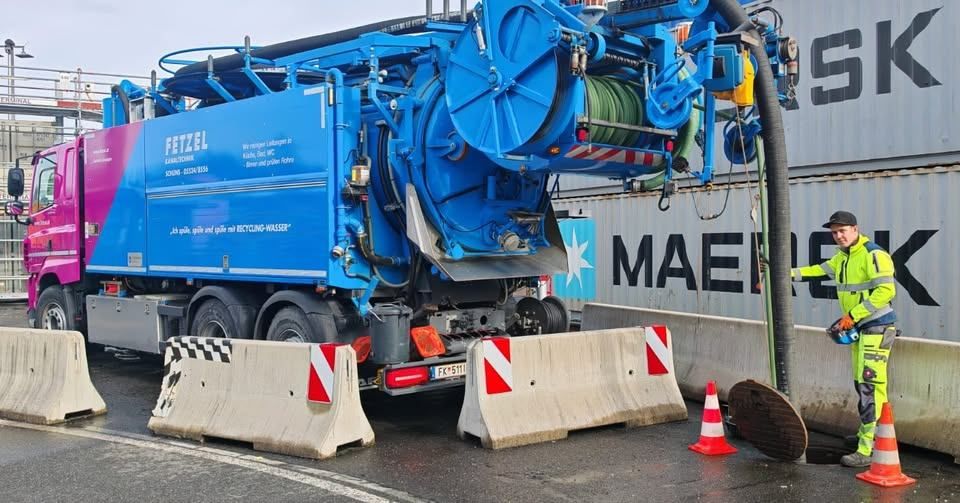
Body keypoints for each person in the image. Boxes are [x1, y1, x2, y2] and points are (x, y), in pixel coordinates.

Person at [789, 211, 899, 467]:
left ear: (855, 229)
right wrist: (786, 272)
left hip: (876, 326)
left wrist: (853, 314)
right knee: (861, 382)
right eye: (835, 232)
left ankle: (867, 448)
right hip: (860, 328)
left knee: (870, 387)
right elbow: (816, 271)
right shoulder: (843, 257)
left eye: (843, 231)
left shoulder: (873, 254)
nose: (839, 236)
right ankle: (868, 434)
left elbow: (886, 291)